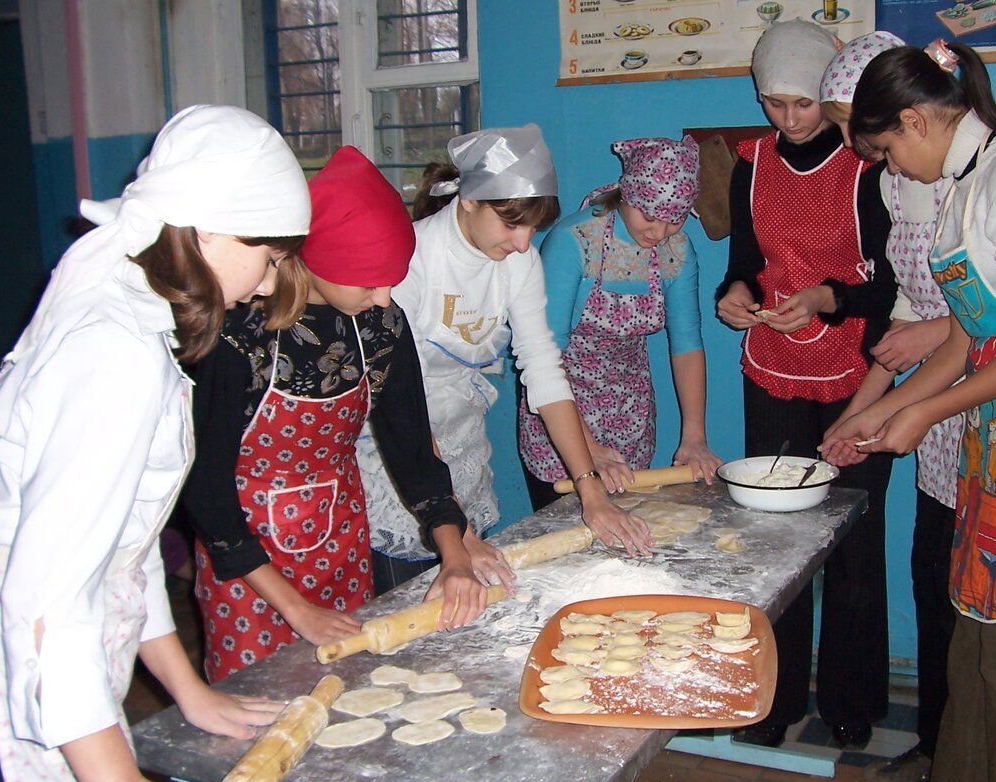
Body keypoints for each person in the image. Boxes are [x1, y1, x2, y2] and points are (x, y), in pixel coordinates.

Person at [0, 105, 310, 782]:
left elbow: (122, 550)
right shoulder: (115, 353)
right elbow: (44, 597)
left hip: (74, 661)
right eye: (268, 257)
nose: (264, 285)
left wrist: (186, 689)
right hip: (28, 682)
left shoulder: (131, 309)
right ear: (207, 231)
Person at [824, 41, 996, 782]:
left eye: (885, 148)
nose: (891, 168)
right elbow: (965, 340)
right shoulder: (968, 182)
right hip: (994, 430)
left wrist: (925, 414)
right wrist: (882, 414)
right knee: (974, 640)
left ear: (916, 120)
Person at [182, 146, 509, 682]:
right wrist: (295, 608)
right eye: (370, 283)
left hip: (343, 541)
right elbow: (205, 490)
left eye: (391, 281)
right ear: (318, 263)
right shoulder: (238, 338)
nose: (384, 300)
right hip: (247, 560)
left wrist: (454, 556)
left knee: (346, 693)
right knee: (261, 708)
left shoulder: (379, 325)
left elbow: (412, 450)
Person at [356, 124, 651, 593]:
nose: (522, 242)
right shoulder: (410, 261)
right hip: (399, 455)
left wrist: (590, 492)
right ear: (469, 199)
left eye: (532, 227)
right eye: (512, 223)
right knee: (409, 615)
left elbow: (544, 371)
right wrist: (459, 533)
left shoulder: (520, 263)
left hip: (462, 443)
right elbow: (401, 406)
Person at [714, 20, 896, 750]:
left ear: (830, 94)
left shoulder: (867, 164)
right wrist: (735, 292)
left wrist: (827, 299)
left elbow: (888, 281)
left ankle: (852, 703)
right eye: (772, 103)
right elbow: (746, 256)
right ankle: (775, 700)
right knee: (774, 540)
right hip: (775, 371)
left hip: (860, 370)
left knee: (854, 535)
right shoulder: (750, 163)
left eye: (802, 103)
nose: (786, 120)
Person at [818, 33, 957, 782]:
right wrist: (854, 413)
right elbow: (906, 321)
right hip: (930, 417)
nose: (856, 147)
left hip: (984, 404)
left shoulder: (972, 178)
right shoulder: (900, 182)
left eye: (857, 127)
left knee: (965, 597)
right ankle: (938, 744)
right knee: (931, 581)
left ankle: (967, 752)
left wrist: (884, 410)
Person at [518, 135, 721, 509]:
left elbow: (687, 343)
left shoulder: (677, 251)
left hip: (631, 413)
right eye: (649, 216)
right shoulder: (574, 241)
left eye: (674, 219)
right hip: (561, 408)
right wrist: (587, 451)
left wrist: (694, 436)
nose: (659, 233)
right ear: (628, 196)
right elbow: (545, 355)